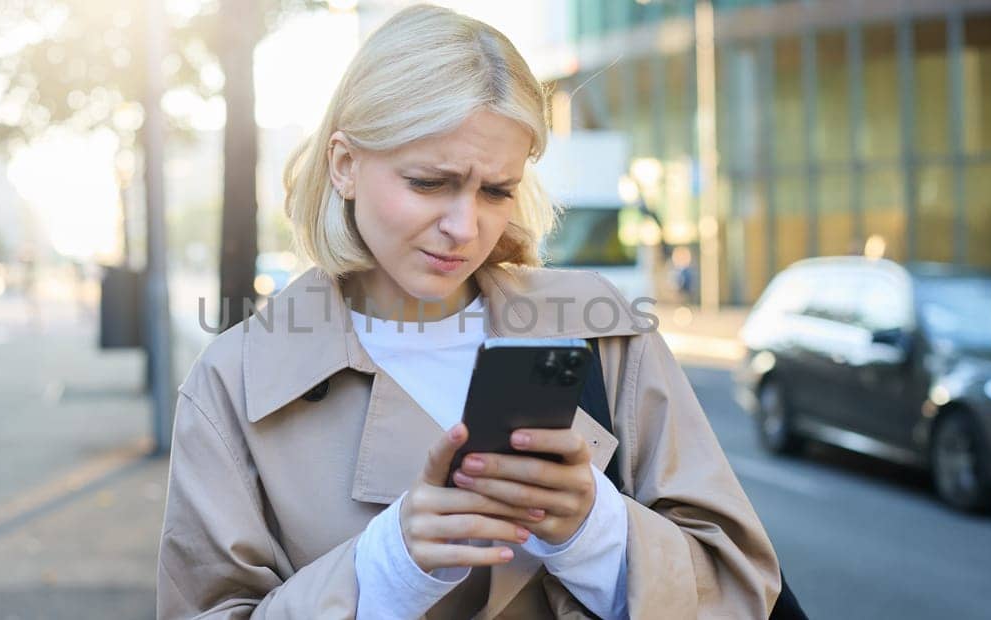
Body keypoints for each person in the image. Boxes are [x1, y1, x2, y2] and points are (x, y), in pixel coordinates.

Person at [156, 6, 781, 618]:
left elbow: (741, 588)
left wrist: (594, 530)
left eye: (496, 191)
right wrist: (388, 566)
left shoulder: (603, 329)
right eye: (430, 182)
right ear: (344, 165)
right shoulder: (232, 384)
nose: (464, 226)